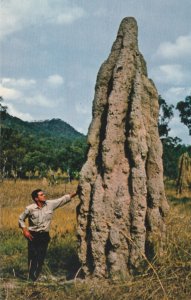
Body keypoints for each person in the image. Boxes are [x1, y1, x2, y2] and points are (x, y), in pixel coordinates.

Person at [18, 188, 79, 281]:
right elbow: (20, 219)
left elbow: (64, 199)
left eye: (43, 194)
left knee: (41, 256)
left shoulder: (50, 204)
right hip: (33, 235)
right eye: (41, 195)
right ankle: (31, 277)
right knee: (33, 256)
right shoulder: (30, 208)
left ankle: (36, 275)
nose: (44, 196)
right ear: (36, 198)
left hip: (44, 235)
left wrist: (77, 192)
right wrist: (24, 230)